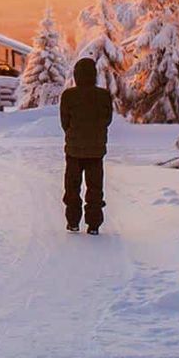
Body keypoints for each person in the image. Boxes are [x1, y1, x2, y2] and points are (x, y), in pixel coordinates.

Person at [59, 57, 113, 234]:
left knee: (72, 187)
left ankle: (73, 222)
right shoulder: (104, 95)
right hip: (96, 151)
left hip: (74, 150)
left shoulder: (68, 95)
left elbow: (64, 122)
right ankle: (94, 225)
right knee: (95, 188)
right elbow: (107, 120)